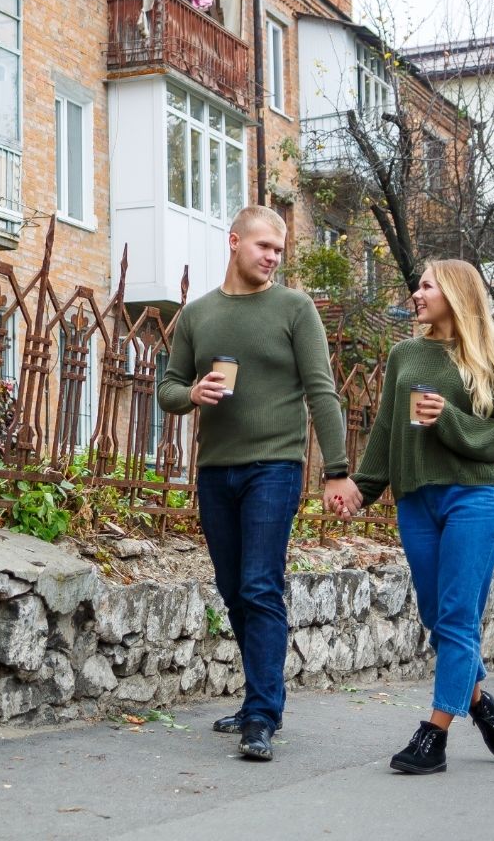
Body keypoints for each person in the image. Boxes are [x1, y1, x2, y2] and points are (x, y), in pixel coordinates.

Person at [157, 205, 348, 761]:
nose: (272, 257)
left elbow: (322, 391)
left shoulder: (295, 308)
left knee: (261, 584)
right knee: (233, 586)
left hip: (275, 466)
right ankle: (255, 701)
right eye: (264, 246)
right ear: (235, 241)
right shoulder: (198, 315)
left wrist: (336, 471)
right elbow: (167, 388)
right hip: (217, 470)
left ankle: (263, 713)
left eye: (280, 251)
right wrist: (193, 394)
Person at [325, 259, 494, 775]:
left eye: (427, 285)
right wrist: (360, 492)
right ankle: (478, 703)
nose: (417, 292)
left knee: (457, 618)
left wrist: (447, 418)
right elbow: (388, 430)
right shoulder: (404, 354)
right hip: (416, 501)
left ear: (455, 293)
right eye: (419, 285)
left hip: (475, 500)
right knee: (438, 619)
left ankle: (433, 734)